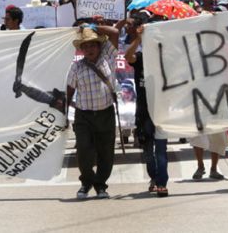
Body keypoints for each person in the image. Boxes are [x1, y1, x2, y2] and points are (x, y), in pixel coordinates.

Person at [66, 23, 120, 199]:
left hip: (105, 113)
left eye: (92, 45)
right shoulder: (76, 67)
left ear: (99, 46)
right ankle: (86, 183)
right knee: (83, 151)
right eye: (85, 46)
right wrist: (63, 115)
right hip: (84, 116)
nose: (89, 49)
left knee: (106, 153)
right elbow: (69, 91)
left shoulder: (108, 58)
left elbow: (115, 32)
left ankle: (101, 185)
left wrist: (95, 26)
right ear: (81, 49)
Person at [124, 14, 169, 197]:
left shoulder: (165, 59)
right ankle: (154, 177)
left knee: (161, 150)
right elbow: (128, 56)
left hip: (161, 111)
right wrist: (138, 39)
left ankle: (162, 182)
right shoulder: (140, 58)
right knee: (148, 152)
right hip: (144, 112)